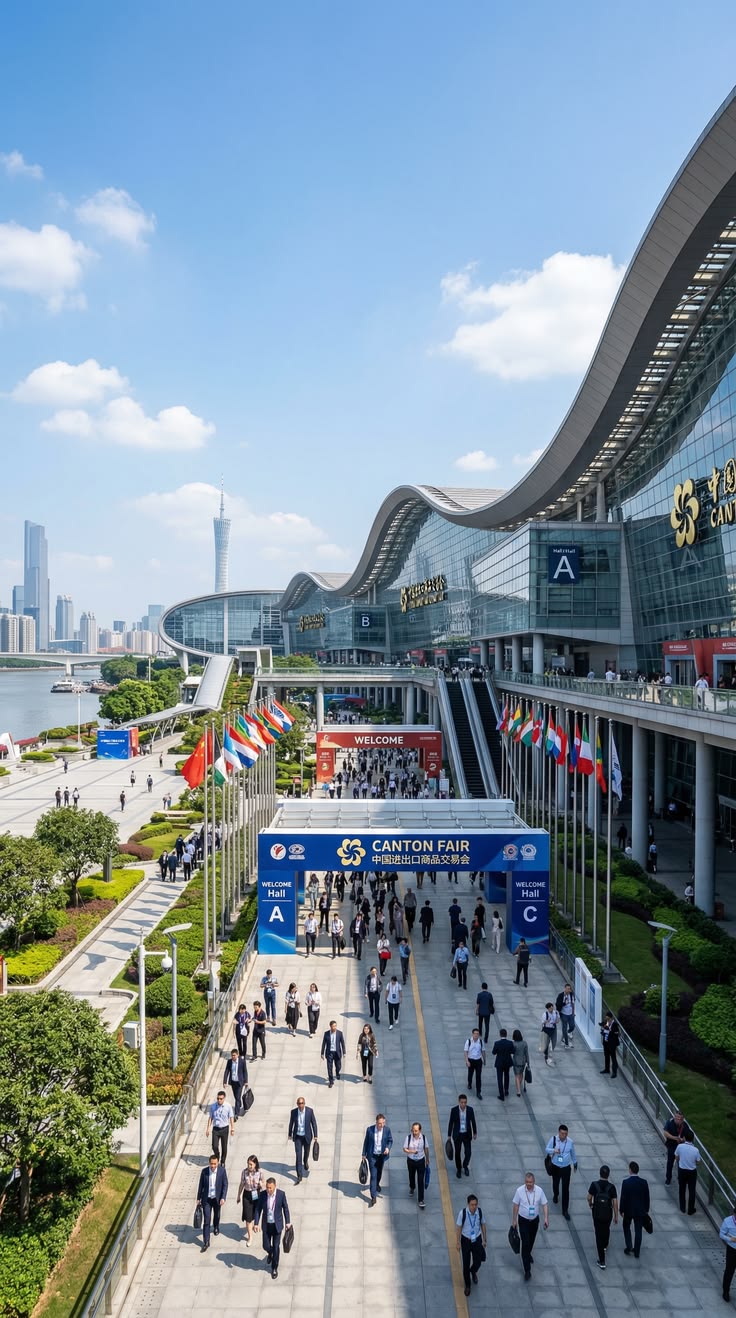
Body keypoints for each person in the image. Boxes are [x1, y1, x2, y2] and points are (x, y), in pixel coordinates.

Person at [512, 1172, 549, 1281]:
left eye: (530, 1182)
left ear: (534, 1182)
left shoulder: (539, 1191)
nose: (529, 1184)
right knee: (525, 1242)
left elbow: (545, 1204)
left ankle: (528, 1253)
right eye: (527, 1182)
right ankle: (527, 1270)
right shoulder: (519, 1191)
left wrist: (546, 1218)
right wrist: (514, 1220)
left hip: (534, 1221)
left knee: (531, 1240)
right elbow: (515, 1205)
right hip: (523, 1220)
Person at [253, 1176, 292, 1279]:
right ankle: (270, 1253)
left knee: (276, 1247)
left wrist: (288, 1222)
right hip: (266, 1225)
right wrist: (256, 1223)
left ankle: (274, 1268)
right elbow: (258, 1210)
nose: (268, 1190)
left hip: (277, 1226)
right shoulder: (262, 1195)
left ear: (275, 1186)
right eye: (267, 1187)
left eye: (270, 1188)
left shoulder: (281, 1195)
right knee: (265, 1246)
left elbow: (286, 1209)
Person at [587, 1164, 618, 1269]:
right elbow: (615, 1203)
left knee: (598, 1234)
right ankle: (605, 1245)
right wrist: (616, 1216)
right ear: (608, 1175)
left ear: (599, 1173)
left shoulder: (594, 1185)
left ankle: (602, 1261)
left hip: (597, 1213)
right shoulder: (612, 1187)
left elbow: (589, 1197)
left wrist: (591, 1205)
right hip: (608, 1214)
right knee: (606, 1229)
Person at [456, 1193, 487, 1297]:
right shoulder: (463, 1213)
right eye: (472, 1205)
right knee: (466, 1263)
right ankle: (468, 1285)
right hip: (465, 1240)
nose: (474, 1207)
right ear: (468, 1204)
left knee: (478, 1261)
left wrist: (484, 1238)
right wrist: (458, 1241)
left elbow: (483, 1224)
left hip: (477, 1239)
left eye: (475, 1204)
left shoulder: (480, 1212)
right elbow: (459, 1227)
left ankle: (473, 1271)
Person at [196, 1153, 228, 1252]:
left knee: (217, 1215)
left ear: (218, 1163)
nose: (213, 1166)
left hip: (217, 1198)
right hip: (207, 1199)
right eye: (211, 1164)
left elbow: (225, 1185)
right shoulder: (204, 1172)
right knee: (206, 1220)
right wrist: (198, 1198)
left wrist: (223, 1197)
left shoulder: (222, 1171)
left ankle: (216, 1226)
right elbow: (201, 1185)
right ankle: (206, 1241)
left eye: (215, 1164)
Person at [545, 1125, 577, 1219]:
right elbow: (547, 1149)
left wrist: (575, 1163)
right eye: (562, 1133)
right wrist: (553, 1150)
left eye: (566, 1134)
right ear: (559, 1133)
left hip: (566, 1168)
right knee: (555, 1183)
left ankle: (565, 1210)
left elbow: (573, 1153)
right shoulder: (554, 1139)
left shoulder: (570, 1142)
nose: (564, 1136)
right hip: (555, 1166)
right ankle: (556, 1194)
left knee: (565, 1189)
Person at [620, 1160, 650, 1258]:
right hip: (640, 1211)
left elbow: (623, 1197)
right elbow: (647, 1197)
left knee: (626, 1227)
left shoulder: (626, 1183)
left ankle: (629, 1246)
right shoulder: (644, 1182)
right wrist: (646, 1209)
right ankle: (637, 1251)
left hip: (628, 1210)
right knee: (638, 1231)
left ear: (630, 1170)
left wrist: (621, 1210)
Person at [361, 1114, 393, 1206]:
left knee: (379, 1173)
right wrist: (363, 1153)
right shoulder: (370, 1130)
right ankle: (373, 1196)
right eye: (380, 1124)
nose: (381, 1125)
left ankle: (377, 1184)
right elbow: (366, 1142)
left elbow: (390, 1140)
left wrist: (388, 1148)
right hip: (372, 1156)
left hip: (382, 1156)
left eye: (383, 1123)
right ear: (376, 1122)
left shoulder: (387, 1130)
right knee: (373, 1175)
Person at [288, 1096, 318, 1183]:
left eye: (302, 1103)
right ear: (297, 1104)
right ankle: (299, 1176)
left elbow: (314, 1123)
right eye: (299, 1103)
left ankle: (305, 1162)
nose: (300, 1105)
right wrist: (289, 1134)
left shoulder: (309, 1111)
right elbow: (291, 1123)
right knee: (298, 1156)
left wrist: (316, 1135)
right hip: (297, 1137)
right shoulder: (293, 1112)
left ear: (304, 1104)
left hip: (307, 1136)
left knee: (306, 1152)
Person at [236, 1154, 264, 1246]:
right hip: (247, 1195)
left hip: (256, 1194)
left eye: (251, 1164)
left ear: (255, 1164)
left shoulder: (259, 1172)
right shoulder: (244, 1172)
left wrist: (261, 1184)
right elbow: (241, 1184)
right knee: (248, 1217)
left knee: (256, 1212)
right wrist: (238, 1195)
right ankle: (250, 1237)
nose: (249, 1166)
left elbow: (263, 1184)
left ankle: (256, 1224)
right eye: (248, 1164)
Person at [447, 1093, 477, 1178]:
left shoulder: (470, 1110)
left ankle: (465, 1165)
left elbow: (473, 1121)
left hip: (467, 1135)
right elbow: (451, 1123)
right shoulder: (454, 1110)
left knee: (468, 1153)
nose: (463, 1104)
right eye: (462, 1102)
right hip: (458, 1134)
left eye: (465, 1102)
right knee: (457, 1153)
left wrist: (475, 1132)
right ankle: (459, 1169)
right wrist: (449, 1135)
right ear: (459, 1102)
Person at [403, 1121, 430, 1209]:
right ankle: (412, 1187)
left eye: (416, 1131)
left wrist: (427, 1159)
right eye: (413, 1130)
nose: (414, 1132)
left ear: (420, 1130)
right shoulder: (409, 1137)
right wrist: (411, 1151)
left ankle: (421, 1200)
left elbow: (426, 1148)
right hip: (411, 1161)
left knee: (420, 1180)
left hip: (420, 1161)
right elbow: (404, 1149)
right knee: (411, 1176)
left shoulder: (424, 1138)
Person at [663, 1110, 694, 1185]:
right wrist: (674, 1138)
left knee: (681, 1164)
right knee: (670, 1162)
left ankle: (680, 1178)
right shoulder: (669, 1122)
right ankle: (668, 1178)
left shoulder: (685, 1125)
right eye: (677, 1118)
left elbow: (687, 1136)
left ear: (682, 1119)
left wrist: (682, 1139)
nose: (678, 1120)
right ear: (674, 1117)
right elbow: (665, 1133)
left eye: (680, 1119)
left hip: (681, 1148)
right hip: (671, 1146)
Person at [674, 1131, 701, 1214]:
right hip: (692, 1172)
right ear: (692, 1139)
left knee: (682, 1189)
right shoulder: (696, 1150)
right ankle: (690, 1209)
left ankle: (682, 1208)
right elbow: (698, 1162)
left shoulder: (680, 1146)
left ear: (684, 1138)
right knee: (692, 1190)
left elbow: (677, 1157)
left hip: (682, 1170)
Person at [206, 1090, 235, 1167]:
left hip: (224, 1128)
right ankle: (217, 1156)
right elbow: (210, 1118)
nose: (219, 1100)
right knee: (214, 1146)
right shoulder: (213, 1106)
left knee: (224, 1146)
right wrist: (208, 1129)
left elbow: (231, 1117)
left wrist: (232, 1128)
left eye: (221, 1099)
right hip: (216, 1128)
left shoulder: (228, 1106)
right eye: (218, 1098)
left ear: (224, 1098)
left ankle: (223, 1161)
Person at [320, 1019, 346, 1087]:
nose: (334, 1027)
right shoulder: (326, 1033)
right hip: (329, 1053)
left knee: (338, 1066)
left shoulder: (339, 1033)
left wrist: (344, 1052)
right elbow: (323, 1044)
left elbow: (342, 1043)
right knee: (329, 1067)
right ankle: (331, 1081)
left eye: (335, 1026)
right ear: (330, 1026)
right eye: (333, 1026)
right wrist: (322, 1053)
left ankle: (337, 1072)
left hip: (337, 1053)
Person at [224, 1048, 248, 1118]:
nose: (233, 1057)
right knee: (236, 1096)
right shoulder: (229, 1062)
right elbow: (226, 1071)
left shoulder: (242, 1062)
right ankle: (239, 1104)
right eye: (232, 1055)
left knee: (237, 1097)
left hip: (240, 1082)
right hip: (233, 1082)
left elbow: (245, 1072)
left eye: (234, 1055)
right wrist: (225, 1082)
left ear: (237, 1055)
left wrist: (246, 1081)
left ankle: (236, 1114)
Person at [719, 1204, 736, 1302]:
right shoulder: (727, 1221)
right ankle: (726, 1291)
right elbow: (721, 1234)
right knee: (729, 1271)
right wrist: (731, 1239)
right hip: (732, 1249)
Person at [492, 1028, 514, 1101]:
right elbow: (513, 1051)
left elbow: (494, 1052)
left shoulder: (497, 1043)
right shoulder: (510, 1043)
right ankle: (506, 1090)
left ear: (500, 1035)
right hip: (507, 1062)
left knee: (500, 1078)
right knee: (507, 1076)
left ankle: (501, 1095)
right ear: (506, 1035)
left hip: (499, 1062)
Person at [464, 1028, 486, 1100]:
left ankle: (478, 1092)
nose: (476, 1035)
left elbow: (483, 1051)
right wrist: (467, 1061)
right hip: (471, 1060)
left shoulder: (481, 1042)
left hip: (478, 1061)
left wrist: (484, 1059)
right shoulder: (469, 1041)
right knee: (470, 1074)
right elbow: (466, 1052)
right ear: (472, 1034)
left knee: (478, 1076)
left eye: (477, 1034)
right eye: (475, 1033)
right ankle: (469, 1083)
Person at [600, 1012, 620, 1076]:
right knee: (606, 1056)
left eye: (607, 1017)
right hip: (606, 1042)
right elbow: (603, 1031)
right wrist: (603, 1030)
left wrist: (610, 1030)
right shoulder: (606, 1023)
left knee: (613, 1057)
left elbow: (617, 1033)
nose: (606, 1018)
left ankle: (614, 1072)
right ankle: (607, 1069)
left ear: (610, 1017)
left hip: (612, 1043)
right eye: (606, 1017)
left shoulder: (615, 1024)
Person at [556, 983, 575, 1048]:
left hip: (570, 1014)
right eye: (567, 989)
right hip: (564, 1014)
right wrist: (564, 1003)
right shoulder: (561, 995)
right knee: (564, 1027)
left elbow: (572, 1003)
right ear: (565, 988)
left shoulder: (571, 995)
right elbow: (558, 1005)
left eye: (569, 989)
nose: (569, 990)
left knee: (572, 1026)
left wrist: (573, 1012)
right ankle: (566, 1042)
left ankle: (566, 1033)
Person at [512, 1029, 530, 1097]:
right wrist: (528, 1062)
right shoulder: (524, 1043)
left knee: (516, 1075)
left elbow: (512, 1052)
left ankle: (518, 1090)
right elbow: (526, 1053)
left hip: (516, 1061)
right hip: (523, 1061)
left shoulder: (513, 1044)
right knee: (521, 1074)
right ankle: (519, 1084)